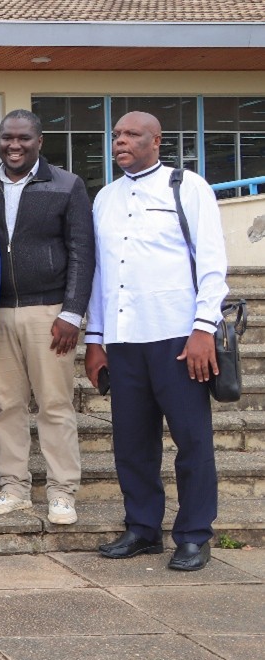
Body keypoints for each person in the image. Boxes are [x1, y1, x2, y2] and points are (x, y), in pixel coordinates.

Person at [86, 111, 227, 572]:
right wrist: (96, 339)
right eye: (115, 136)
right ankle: (143, 528)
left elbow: (211, 263)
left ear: (156, 140)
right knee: (131, 443)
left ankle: (193, 534)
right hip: (124, 339)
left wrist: (204, 328)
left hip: (178, 338)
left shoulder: (187, 187)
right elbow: (100, 275)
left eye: (130, 135)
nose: (120, 142)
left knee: (191, 440)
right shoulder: (104, 198)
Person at [0, 110, 94, 525]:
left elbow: (82, 251)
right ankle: (14, 487)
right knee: (6, 405)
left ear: (39, 141)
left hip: (50, 312)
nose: (14, 145)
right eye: (7, 138)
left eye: (24, 138)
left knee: (55, 405)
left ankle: (62, 491)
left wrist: (72, 313)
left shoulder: (66, 185)